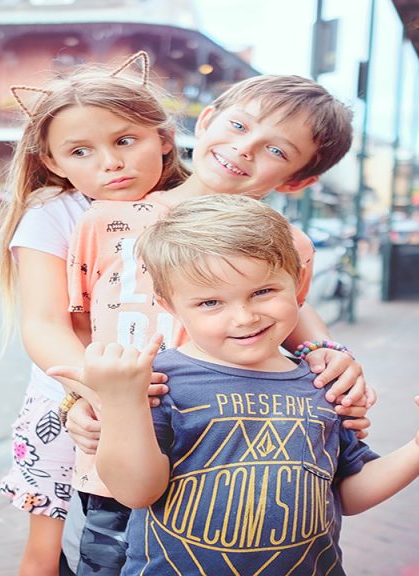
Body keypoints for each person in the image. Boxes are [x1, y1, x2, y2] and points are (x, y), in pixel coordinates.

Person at [51, 194, 419, 574]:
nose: (244, 317)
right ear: (170, 305)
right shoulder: (159, 382)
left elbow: (347, 493)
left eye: (263, 291)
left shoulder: (323, 381)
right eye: (210, 302)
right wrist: (122, 402)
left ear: (298, 285)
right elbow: (136, 491)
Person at [59, 74, 373, 575]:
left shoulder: (291, 247)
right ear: (206, 121)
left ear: (299, 180)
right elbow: (81, 330)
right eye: (238, 124)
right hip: (119, 463)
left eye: (275, 148)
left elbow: (287, 330)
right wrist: (81, 396)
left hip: (231, 471)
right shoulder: (107, 221)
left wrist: (332, 356)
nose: (245, 148)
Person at [0, 52, 188, 575]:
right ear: (54, 162)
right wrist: (98, 389)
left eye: (125, 140)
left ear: (163, 138)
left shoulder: (192, 209)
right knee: (46, 552)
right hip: (68, 404)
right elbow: (44, 323)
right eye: (81, 150)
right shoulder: (53, 216)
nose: (110, 162)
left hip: (177, 404)